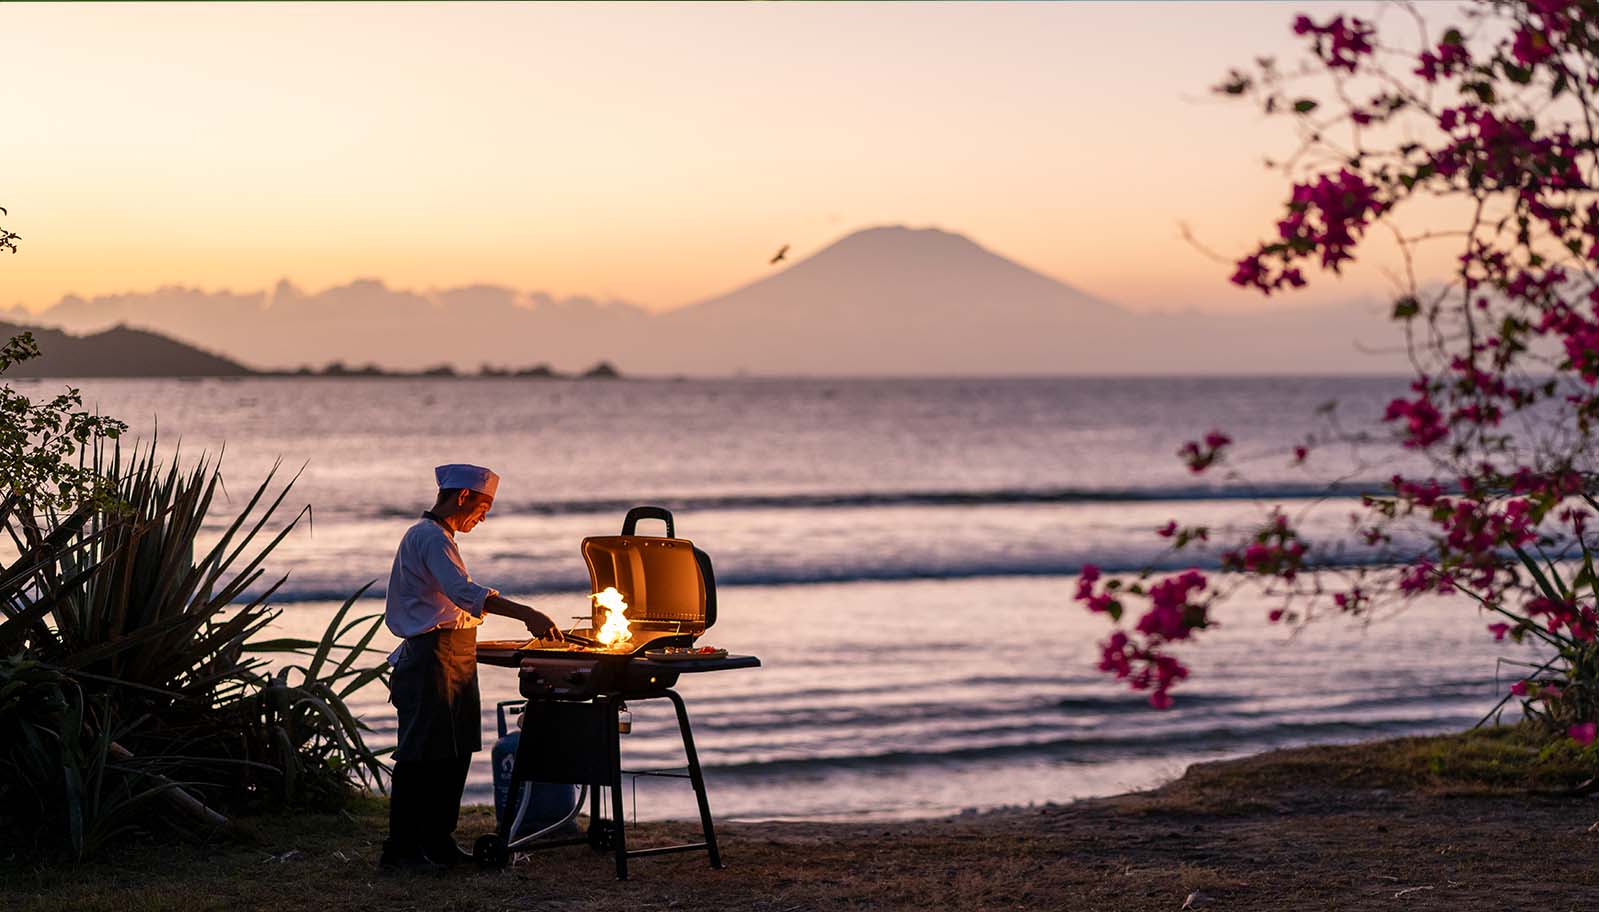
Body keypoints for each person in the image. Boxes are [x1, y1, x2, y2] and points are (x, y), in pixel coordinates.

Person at [379, 463, 561, 872]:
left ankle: (437, 842)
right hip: (432, 658)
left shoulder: (441, 537)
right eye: (482, 508)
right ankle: (402, 850)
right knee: (420, 755)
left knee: (455, 752)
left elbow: (453, 605)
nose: (482, 518)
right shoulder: (428, 537)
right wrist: (525, 613)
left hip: (456, 654)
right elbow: (463, 593)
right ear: (462, 497)